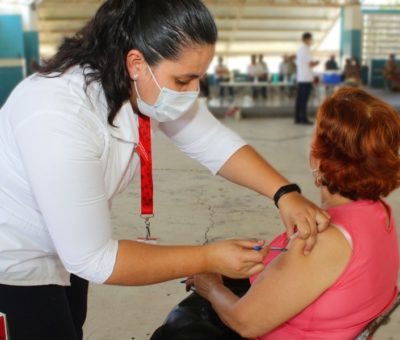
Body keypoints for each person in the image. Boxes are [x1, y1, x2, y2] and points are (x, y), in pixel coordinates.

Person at [0, 1, 329, 339]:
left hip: (64, 250)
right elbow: (94, 258)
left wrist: (284, 193)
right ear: (136, 62)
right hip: (15, 258)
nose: (192, 92)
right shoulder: (58, 118)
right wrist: (208, 258)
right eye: (184, 80)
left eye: (198, 79)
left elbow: (213, 142)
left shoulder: (137, 85)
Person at [156, 87, 399, 339]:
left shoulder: (321, 241)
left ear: (318, 157)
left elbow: (244, 322)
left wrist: (211, 287)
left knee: (175, 330)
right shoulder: (381, 213)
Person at [294, 32, 319, 125]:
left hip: (301, 78)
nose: (311, 41)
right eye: (310, 39)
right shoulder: (306, 49)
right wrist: (317, 63)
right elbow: (310, 64)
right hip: (306, 78)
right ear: (306, 39)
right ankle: (303, 118)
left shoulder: (300, 49)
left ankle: (297, 118)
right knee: (304, 100)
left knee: (299, 99)